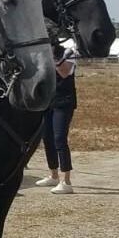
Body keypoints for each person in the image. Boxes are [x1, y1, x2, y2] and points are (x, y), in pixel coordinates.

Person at [36, 36, 81, 194]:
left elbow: (64, 72)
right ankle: (53, 175)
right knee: (47, 138)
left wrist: (54, 57)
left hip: (64, 101)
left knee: (59, 138)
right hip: (48, 100)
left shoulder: (69, 53)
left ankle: (66, 181)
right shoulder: (43, 54)